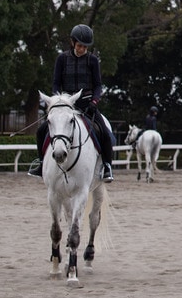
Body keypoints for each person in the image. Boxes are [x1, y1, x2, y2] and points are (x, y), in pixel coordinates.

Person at [28, 23, 116, 182]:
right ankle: (41, 164)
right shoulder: (62, 59)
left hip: (86, 105)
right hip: (65, 105)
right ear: (73, 42)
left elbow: (98, 85)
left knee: (104, 132)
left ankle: (107, 166)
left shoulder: (92, 60)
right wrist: (57, 101)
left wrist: (94, 101)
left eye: (85, 47)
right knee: (41, 131)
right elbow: (56, 83)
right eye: (80, 45)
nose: (82, 49)